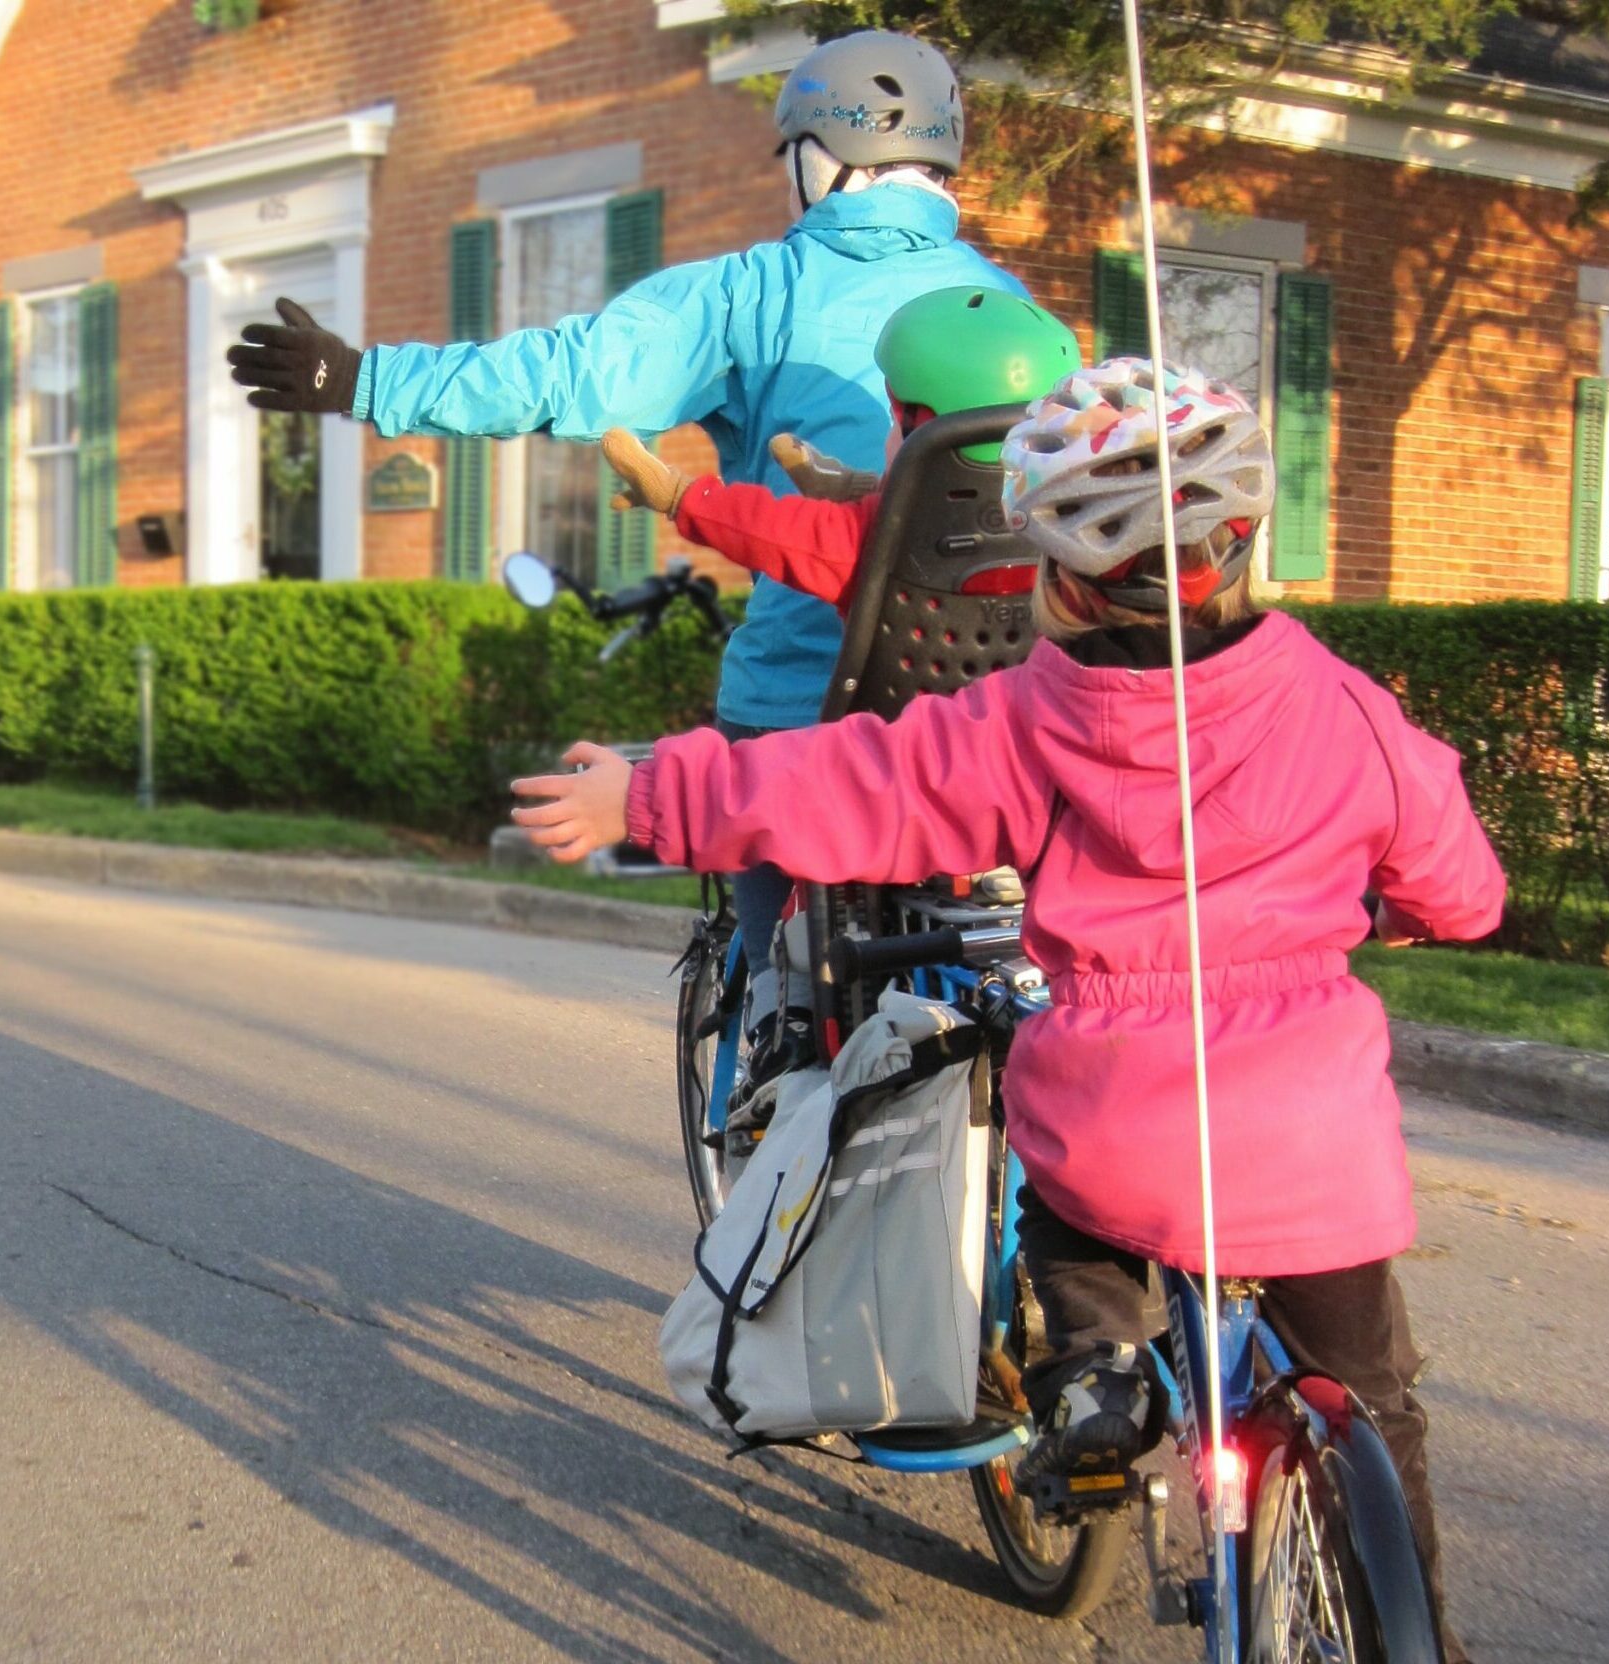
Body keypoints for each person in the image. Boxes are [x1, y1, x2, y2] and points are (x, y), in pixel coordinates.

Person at [510, 358, 1504, 1654]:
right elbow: (1460, 892)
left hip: (1122, 1124)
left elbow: (847, 786)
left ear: (1064, 579)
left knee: (1073, 1205)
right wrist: (1395, 911)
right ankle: (1407, 1611)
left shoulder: (1030, 720)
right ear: (1239, 546)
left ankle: (1088, 1379)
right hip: (1311, 1142)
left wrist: (649, 795)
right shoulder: (1345, 708)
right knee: (1370, 1399)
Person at [228, 30, 1025, 1096]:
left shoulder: (758, 290)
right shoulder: (1016, 318)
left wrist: (362, 379)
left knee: (784, 1003)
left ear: (821, 158)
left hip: (805, 707)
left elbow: (576, 375)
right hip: (993, 725)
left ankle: (767, 1115)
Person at [597, 285, 1080, 614]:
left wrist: (677, 495)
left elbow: (766, 531)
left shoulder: (877, 539)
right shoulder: (1066, 537)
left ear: (927, 432)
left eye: (896, 420)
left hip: (890, 751)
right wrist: (852, 489)